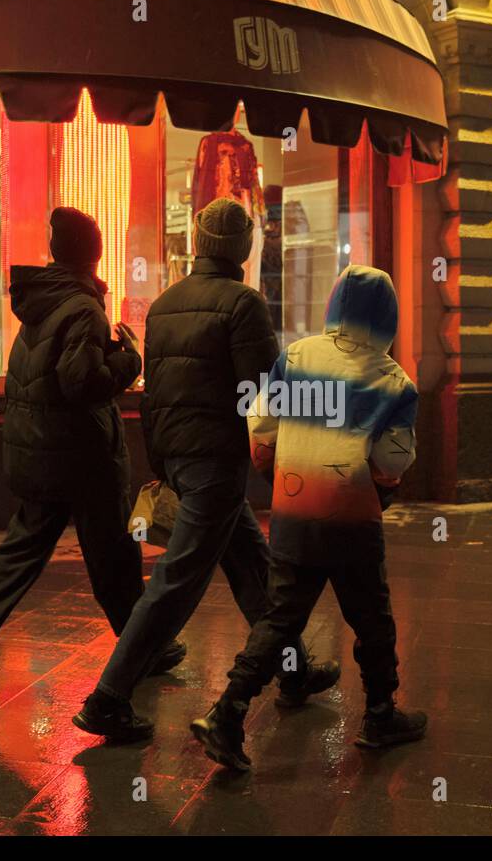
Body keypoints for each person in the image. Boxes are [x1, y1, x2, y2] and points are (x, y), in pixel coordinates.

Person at [73, 197, 339, 741]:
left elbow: (153, 393)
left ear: (198, 245)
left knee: (250, 564)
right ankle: (108, 697)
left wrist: (161, 457)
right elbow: (264, 391)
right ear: (243, 249)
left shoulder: (167, 304)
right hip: (216, 457)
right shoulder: (244, 304)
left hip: (178, 452)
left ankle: (293, 670)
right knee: (178, 579)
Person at [0, 208, 184, 694]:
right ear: (95, 253)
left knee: (24, 547)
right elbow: (81, 382)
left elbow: (52, 374)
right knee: (113, 556)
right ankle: (143, 648)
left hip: (39, 450)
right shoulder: (83, 308)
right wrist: (128, 359)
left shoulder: (42, 302)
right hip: (81, 455)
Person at [190, 265, 426, 771]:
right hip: (351, 519)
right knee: (372, 620)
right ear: (388, 318)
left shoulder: (295, 356)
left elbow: (261, 421)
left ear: (335, 305)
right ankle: (381, 714)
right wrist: (382, 485)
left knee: (281, 616)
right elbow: (391, 461)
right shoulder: (393, 380)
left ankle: (227, 712)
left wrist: (271, 464)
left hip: (294, 513)